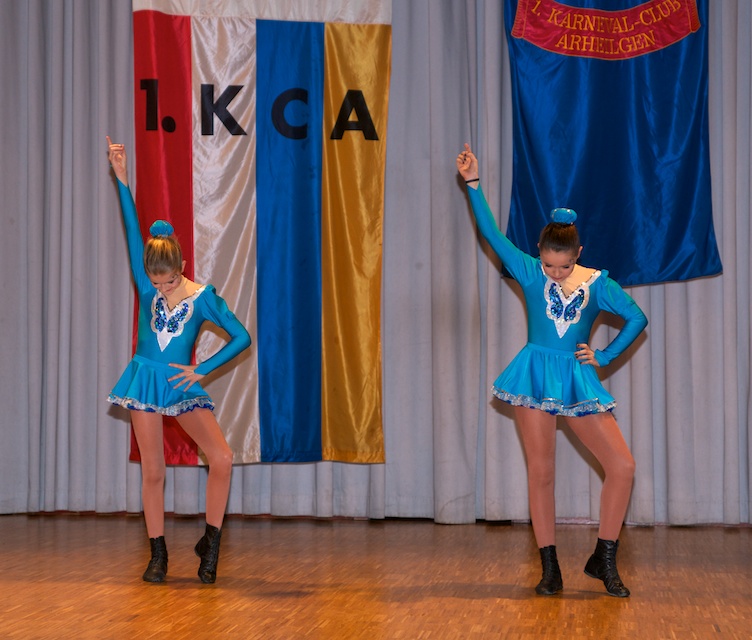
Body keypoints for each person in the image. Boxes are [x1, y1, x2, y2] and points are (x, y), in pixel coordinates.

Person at [456, 143, 647, 597]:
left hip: (576, 379)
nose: (555, 273)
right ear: (539, 253)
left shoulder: (597, 282)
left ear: (578, 252)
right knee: (541, 472)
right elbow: (491, 234)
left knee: (622, 466)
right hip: (533, 375)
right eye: (548, 264)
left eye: (563, 265)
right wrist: (474, 184)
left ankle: (603, 558)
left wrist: (604, 356)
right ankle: (549, 567)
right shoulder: (528, 271)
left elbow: (636, 317)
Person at [106, 136, 251, 584]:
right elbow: (132, 227)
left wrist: (201, 370)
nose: (161, 288)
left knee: (221, 458)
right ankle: (158, 553)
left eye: (168, 281)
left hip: (181, 384)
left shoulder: (203, 297)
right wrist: (122, 178)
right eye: (155, 281)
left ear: (182, 266)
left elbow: (242, 337)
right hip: (145, 381)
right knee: (153, 470)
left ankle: (211, 542)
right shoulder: (147, 283)